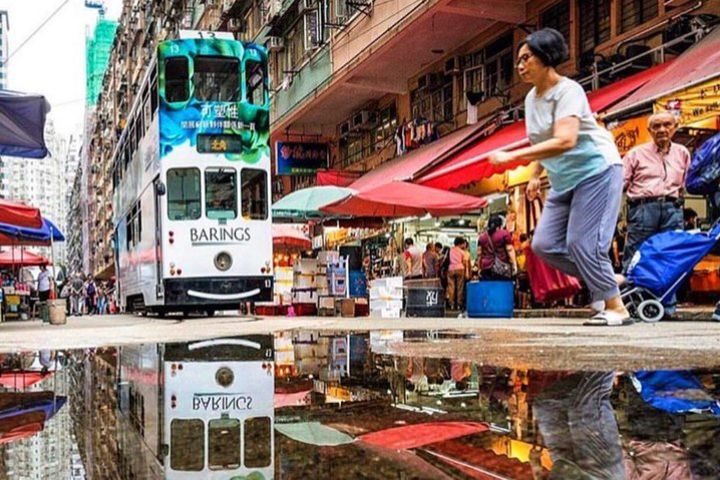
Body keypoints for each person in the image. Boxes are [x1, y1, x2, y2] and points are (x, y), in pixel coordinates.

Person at [489, 28, 629, 326]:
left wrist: (512, 158)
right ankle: (604, 279)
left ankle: (617, 308)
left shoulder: (568, 91)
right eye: (519, 60)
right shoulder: (530, 99)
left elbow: (565, 139)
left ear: (545, 57)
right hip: (563, 179)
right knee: (544, 245)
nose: (520, 66)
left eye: (526, 58)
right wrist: (536, 174)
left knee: (583, 242)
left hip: (596, 171)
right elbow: (543, 139)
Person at [623, 111, 691, 318]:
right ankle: (631, 305)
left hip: (672, 208)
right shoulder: (635, 154)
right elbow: (620, 183)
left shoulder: (682, 153)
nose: (662, 130)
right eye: (657, 126)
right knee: (637, 256)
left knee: (670, 257)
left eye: (667, 125)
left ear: (675, 128)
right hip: (643, 208)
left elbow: (685, 183)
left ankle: (667, 307)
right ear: (649, 130)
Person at [477, 214, 517, 279]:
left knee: (488, 288)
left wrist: (479, 268)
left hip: (486, 269)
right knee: (502, 288)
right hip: (502, 268)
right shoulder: (504, 234)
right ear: (500, 224)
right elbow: (509, 249)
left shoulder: (482, 237)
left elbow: (479, 254)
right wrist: (514, 265)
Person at [446, 237, 467, 311]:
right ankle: (458, 304)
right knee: (459, 287)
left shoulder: (450, 250)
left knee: (451, 287)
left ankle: (451, 304)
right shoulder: (462, 252)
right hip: (460, 268)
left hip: (451, 269)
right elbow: (464, 262)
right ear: (460, 244)